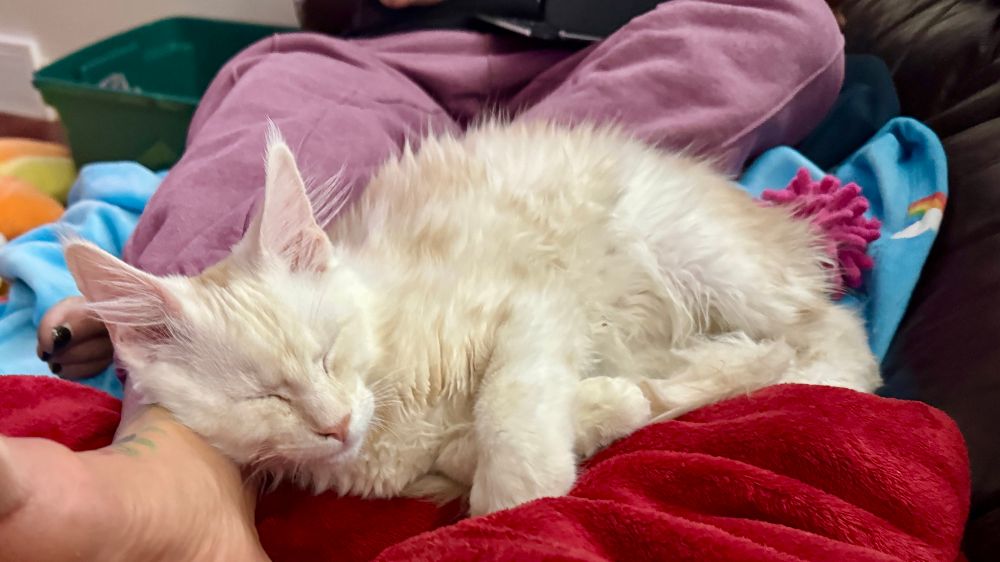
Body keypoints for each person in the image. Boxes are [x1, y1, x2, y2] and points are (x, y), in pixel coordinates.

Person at [1, 0, 846, 559]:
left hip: (603, 38)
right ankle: (171, 433)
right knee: (283, 96)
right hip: (404, 42)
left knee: (788, 20)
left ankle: (159, 315)